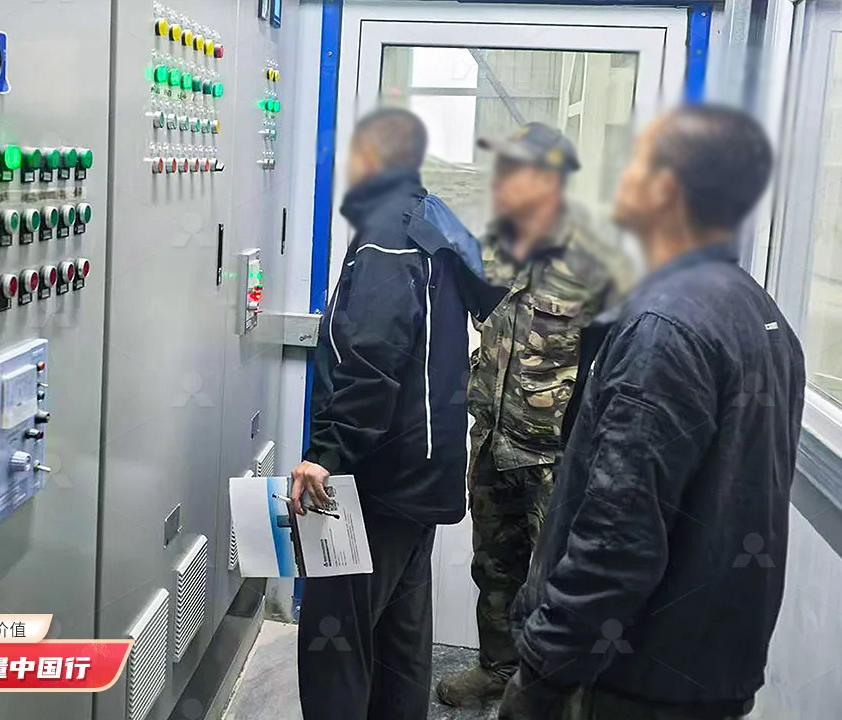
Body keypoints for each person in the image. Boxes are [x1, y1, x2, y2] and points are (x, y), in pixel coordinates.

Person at [498, 105, 805, 720]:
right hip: (707, 669)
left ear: (666, 189)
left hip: (631, 679)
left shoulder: (665, 328)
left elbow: (618, 538)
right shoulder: (758, 311)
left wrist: (541, 675)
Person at [290, 107, 505, 720]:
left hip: (377, 480)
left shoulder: (385, 238)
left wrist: (326, 455)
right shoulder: (433, 222)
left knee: (336, 639)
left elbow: (372, 361)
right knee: (400, 641)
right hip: (425, 473)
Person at [438, 123, 618, 707]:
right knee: (494, 570)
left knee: (559, 584)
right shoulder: (495, 246)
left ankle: (555, 698)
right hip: (493, 444)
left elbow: (612, 363)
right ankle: (497, 668)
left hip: (554, 461)